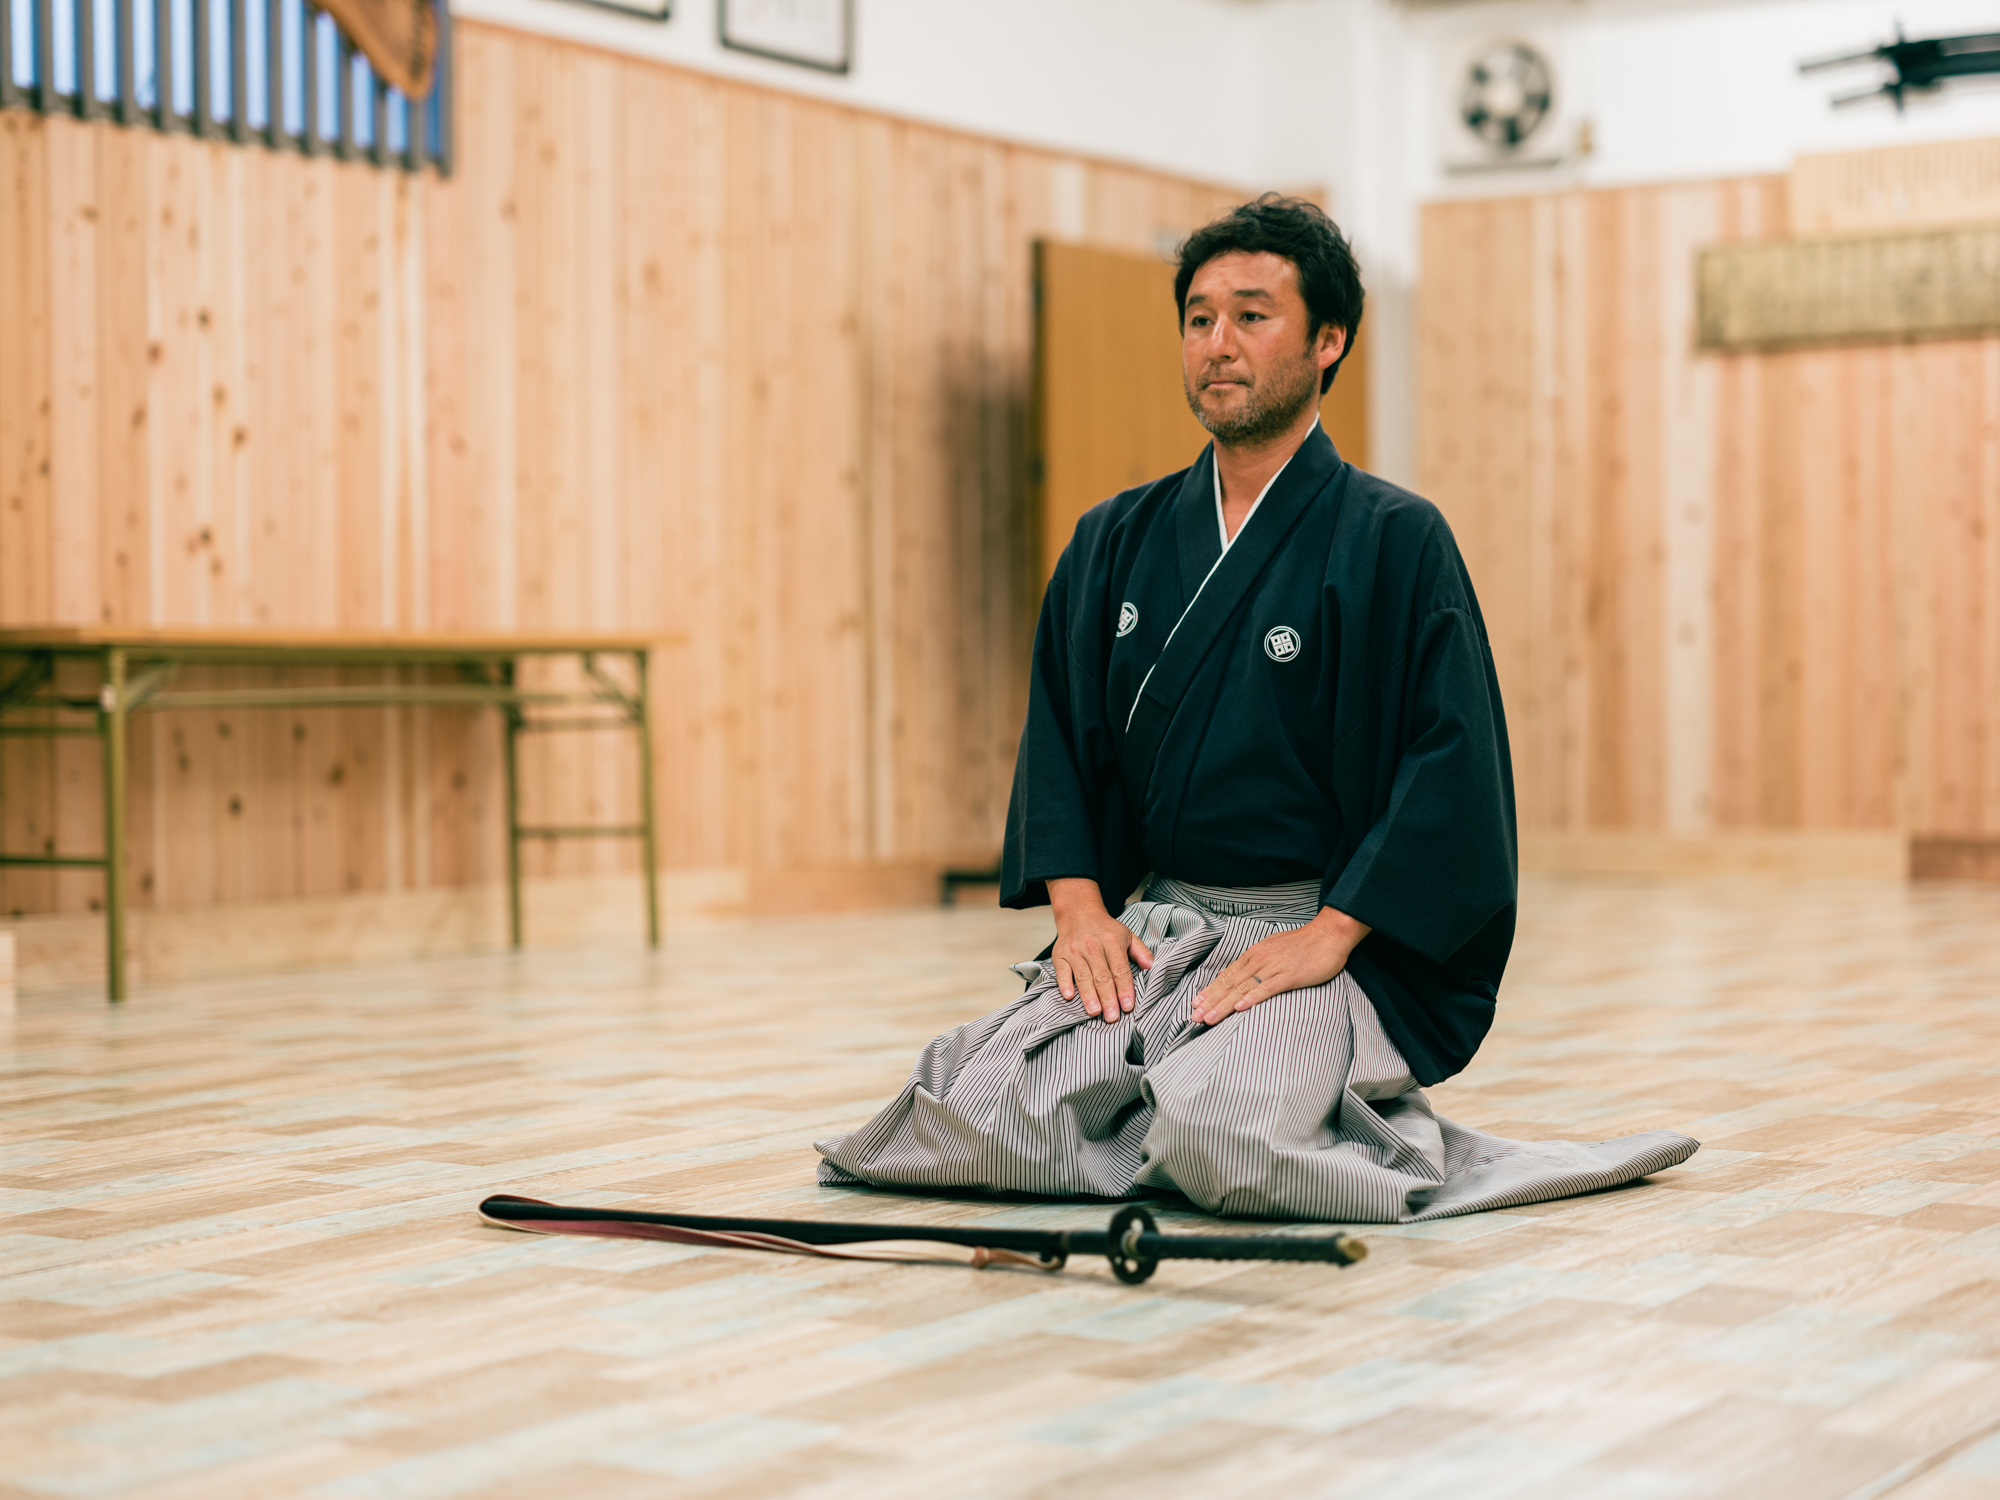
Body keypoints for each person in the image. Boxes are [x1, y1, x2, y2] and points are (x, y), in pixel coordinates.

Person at [817, 196, 1695, 1221]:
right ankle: (1213, 1100)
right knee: (967, 1111)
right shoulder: (1112, 539)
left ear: (1328, 342)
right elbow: (1059, 732)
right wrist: (1079, 910)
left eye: (1250, 316)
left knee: (1226, 1138)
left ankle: (1342, 1123)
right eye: (1197, 320)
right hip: (1154, 928)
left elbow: (1448, 764)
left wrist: (1332, 933)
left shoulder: (1394, 539)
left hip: (1309, 932)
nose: (1216, 346)